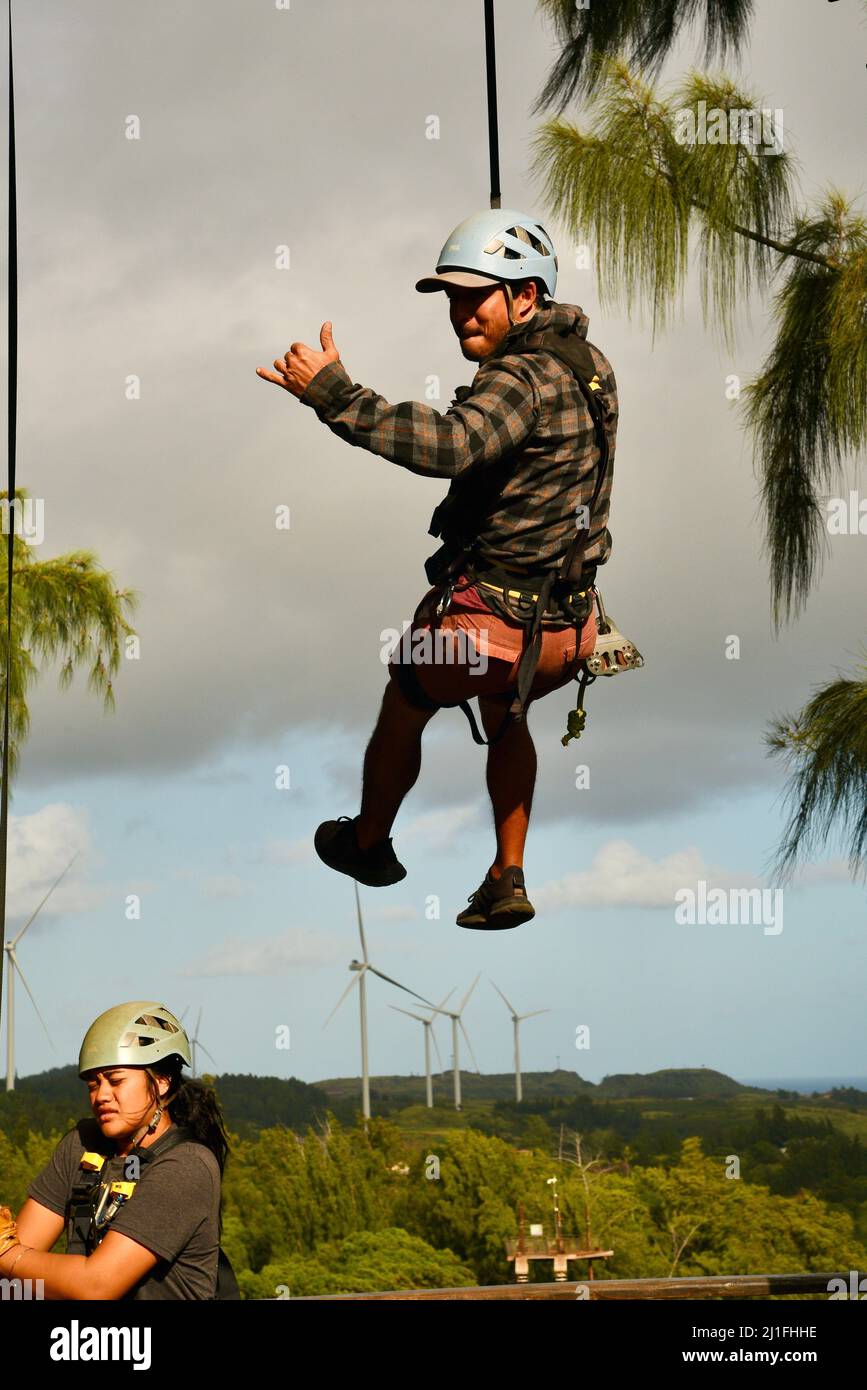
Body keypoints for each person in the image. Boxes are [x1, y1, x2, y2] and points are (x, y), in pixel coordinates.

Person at [256, 209, 618, 930]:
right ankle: (506, 874)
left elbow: (452, 446)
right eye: (450, 297)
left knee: (405, 695)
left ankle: (366, 842)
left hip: (487, 629)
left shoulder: (522, 378)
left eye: (474, 294)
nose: (458, 313)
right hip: (568, 630)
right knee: (506, 712)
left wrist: (335, 396)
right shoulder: (591, 366)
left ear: (526, 296)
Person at [0, 1001, 232, 1300]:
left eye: (116, 1080)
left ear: (162, 1081)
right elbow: (18, 1263)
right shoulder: (83, 1145)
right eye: (93, 1084)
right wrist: (11, 1256)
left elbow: (96, 1286)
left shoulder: (186, 1165)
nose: (101, 1096)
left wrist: (5, 1252)